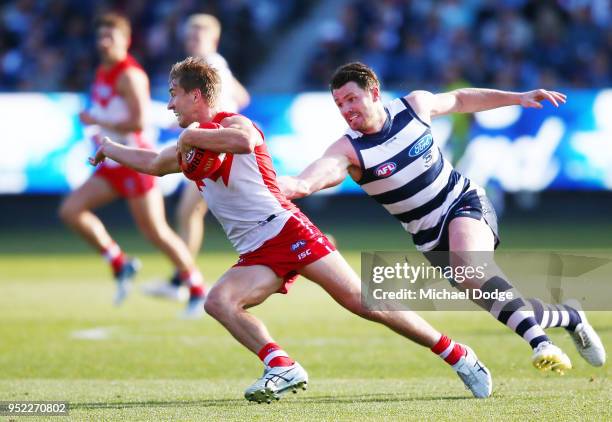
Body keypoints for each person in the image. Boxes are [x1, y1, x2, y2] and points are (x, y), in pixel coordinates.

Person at [89, 56, 494, 401]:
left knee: (362, 302)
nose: (169, 103)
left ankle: (457, 354)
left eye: (174, 93)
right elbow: (155, 164)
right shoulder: (189, 144)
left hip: (286, 229)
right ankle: (280, 365)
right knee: (219, 302)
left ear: (196, 95)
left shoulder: (232, 123)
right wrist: (110, 149)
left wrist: (193, 134)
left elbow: (246, 142)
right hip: (256, 250)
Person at [278, 62, 606, 373]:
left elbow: (461, 99)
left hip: (463, 202)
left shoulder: (414, 106)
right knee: (499, 300)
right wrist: (274, 185)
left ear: (374, 92)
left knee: (470, 267)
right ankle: (568, 316)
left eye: (352, 98)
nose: (347, 109)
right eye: (339, 104)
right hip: (431, 240)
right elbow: (307, 181)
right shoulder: (348, 151)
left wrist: (517, 98)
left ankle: (541, 345)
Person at [58, 13, 205, 316]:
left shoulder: (130, 75)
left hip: (135, 161)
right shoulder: (103, 70)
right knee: (71, 210)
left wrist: (98, 120)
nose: (104, 42)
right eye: (101, 35)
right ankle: (120, 263)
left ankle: (196, 288)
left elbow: (139, 120)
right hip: (113, 160)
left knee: (156, 232)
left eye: (110, 36)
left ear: (126, 40)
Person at [143, 13, 251, 302]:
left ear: (212, 39)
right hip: (218, 145)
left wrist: (203, 125)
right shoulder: (218, 66)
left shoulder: (209, 67)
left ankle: (186, 282)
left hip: (215, 147)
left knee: (190, 211)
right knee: (194, 211)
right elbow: (243, 96)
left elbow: (219, 103)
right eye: (189, 37)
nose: (191, 42)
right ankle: (184, 280)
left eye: (197, 37)